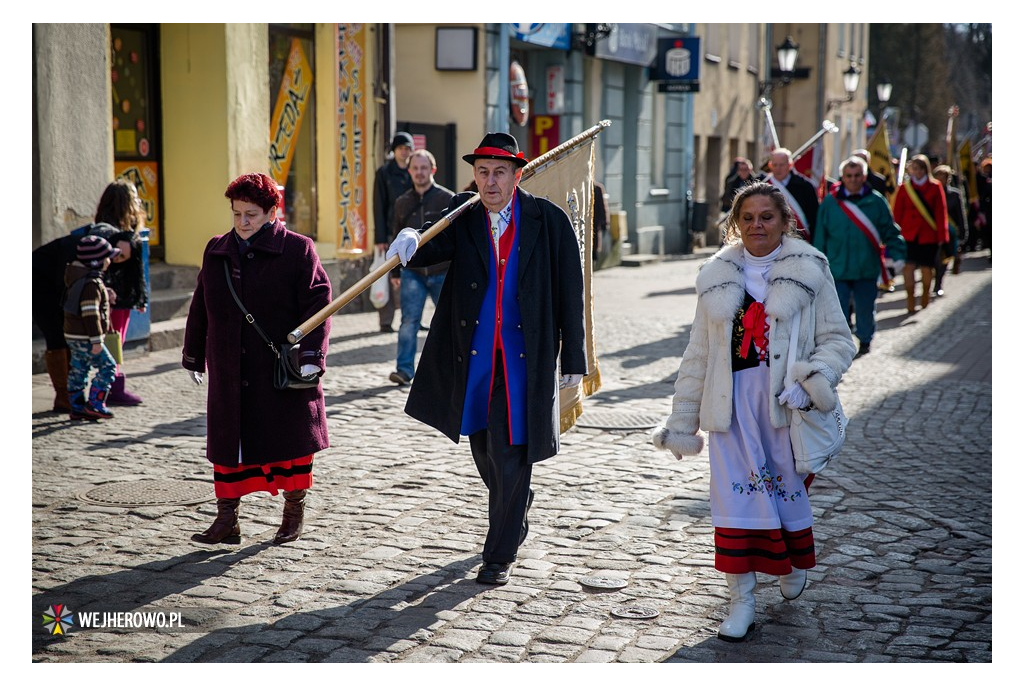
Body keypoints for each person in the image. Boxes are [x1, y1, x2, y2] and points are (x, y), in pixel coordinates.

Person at [652, 181, 856, 642]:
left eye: (767, 216)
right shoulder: (716, 276)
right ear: (734, 224)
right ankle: (741, 599)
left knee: (784, 495)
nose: (756, 225)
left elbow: (839, 341)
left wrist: (813, 382)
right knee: (734, 501)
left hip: (785, 413)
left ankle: (788, 561)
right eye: (747, 218)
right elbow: (698, 355)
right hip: (731, 411)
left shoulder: (811, 268)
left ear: (786, 221)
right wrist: (683, 422)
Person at [387, 132, 586, 585]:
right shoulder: (463, 212)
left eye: (499, 172)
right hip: (473, 358)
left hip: (524, 359)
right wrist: (411, 238)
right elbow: (429, 247)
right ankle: (516, 504)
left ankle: (498, 555)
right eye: (482, 172)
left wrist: (573, 353)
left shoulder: (547, 219)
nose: (490, 182)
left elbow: (569, 292)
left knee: (513, 448)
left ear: (518, 175)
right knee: (485, 448)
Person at [182, 173, 332, 546]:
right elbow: (201, 305)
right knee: (228, 445)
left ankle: (293, 513)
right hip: (229, 368)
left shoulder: (298, 249)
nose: (243, 222)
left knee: (291, 443)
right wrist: (193, 354)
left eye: (251, 214)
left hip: (278, 369)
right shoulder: (216, 250)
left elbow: (319, 302)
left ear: (271, 212)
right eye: (237, 214)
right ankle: (226, 521)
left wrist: (312, 354)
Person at [32, 197, 140, 412]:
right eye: (115, 256)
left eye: (120, 259)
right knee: (56, 337)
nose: (114, 262)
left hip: (58, 289)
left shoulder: (92, 258)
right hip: (39, 283)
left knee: (66, 342)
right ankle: (66, 398)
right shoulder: (86, 248)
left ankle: (71, 399)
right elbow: (68, 285)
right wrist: (95, 336)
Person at [814, 156, 907, 359]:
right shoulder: (830, 203)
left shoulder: (876, 202)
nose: (853, 180)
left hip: (866, 267)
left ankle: (865, 340)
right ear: (843, 177)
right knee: (837, 311)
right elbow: (820, 237)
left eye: (857, 175)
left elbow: (890, 232)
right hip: (837, 268)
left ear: (864, 176)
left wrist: (897, 256)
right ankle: (840, 343)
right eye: (849, 176)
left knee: (865, 308)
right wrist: (817, 264)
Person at [387, 148, 454, 386]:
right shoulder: (402, 202)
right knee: (408, 322)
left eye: (424, 168)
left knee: (450, 322)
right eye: (415, 168)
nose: (419, 172)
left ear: (432, 170)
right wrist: (395, 271)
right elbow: (396, 236)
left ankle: (453, 368)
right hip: (412, 273)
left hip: (442, 270)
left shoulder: (448, 199)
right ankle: (404, 370)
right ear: (409, 171)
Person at [93, 179, 149, 406]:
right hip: (116, 298)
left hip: (107, 296)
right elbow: (125, 263)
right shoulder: (119, 236)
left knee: (110, 342)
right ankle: (113, 387)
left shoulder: (99, 230)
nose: (138, 202)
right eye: (134, 199)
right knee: (114, 342)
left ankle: (108, 386)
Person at [63, 235, 122, 420]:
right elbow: (91, 313)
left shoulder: (80, 278)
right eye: (107, 257)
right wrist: (96, 340)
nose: (109, 261)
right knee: (108, 366)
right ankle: (95, 404)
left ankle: (77, 407)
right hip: (87, 337)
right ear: (97, 262)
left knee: (79, 370)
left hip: (73, 334)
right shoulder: (91, 284)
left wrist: (105, 292)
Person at [893, 154, 949, 313]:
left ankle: (925, 294)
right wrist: (895, 234)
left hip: (928, 235)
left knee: (926, 268)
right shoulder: (905, 188)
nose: (917, 172)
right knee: (908, 268)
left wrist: (942, 237)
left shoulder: (935, 186)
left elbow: (940, 213)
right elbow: (897, 213)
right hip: (908, 234)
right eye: (915, 169)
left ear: (926, 169)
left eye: (920, 169)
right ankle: (910, 299)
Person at [373, 132, 414, 333]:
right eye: (401, 148)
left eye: (407, 148)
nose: (404, 152)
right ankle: (386, 321)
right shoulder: (384, 173)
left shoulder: (415, 171)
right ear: (394, 150)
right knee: (387, 277)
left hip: (412, 231)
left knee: (411, 276)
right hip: (390, 232)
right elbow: (378, 205)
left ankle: (411, 317)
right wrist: (380, 237)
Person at [761, 148, 819, 242]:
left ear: (790, 165)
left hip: (799, 239)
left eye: (781, 165)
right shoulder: (762, 184)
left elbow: (814, 217)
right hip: (769, 239)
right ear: (770, 165)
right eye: (775, 165)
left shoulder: (805, 186)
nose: (778, 169)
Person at [932, 165, 964, 293]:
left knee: (945, 258)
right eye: (937, 176)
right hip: (934, 230)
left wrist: (962, 233)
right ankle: (935, 279)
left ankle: (938, 284)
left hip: (950, 232)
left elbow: (960, 215)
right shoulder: (931, 192)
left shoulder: (954, 195)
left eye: (943, 177)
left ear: (947, 178)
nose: (940, 179)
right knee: (935, 259)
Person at [592, 179, 610, 264]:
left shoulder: (597, 188)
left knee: (593, 250)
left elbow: (603, 207)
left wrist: (604, 223)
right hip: (591, 224)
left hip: (594, 224)